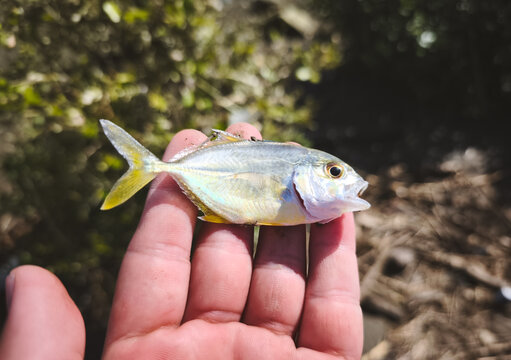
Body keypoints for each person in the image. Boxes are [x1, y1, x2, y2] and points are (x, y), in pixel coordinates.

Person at [0, 123, 363, 359]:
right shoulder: (292, 178)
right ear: (304, 173)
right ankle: (146, 167)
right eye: (334, 172)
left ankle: (148, 167)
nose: (346, 182)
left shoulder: (304, 198)